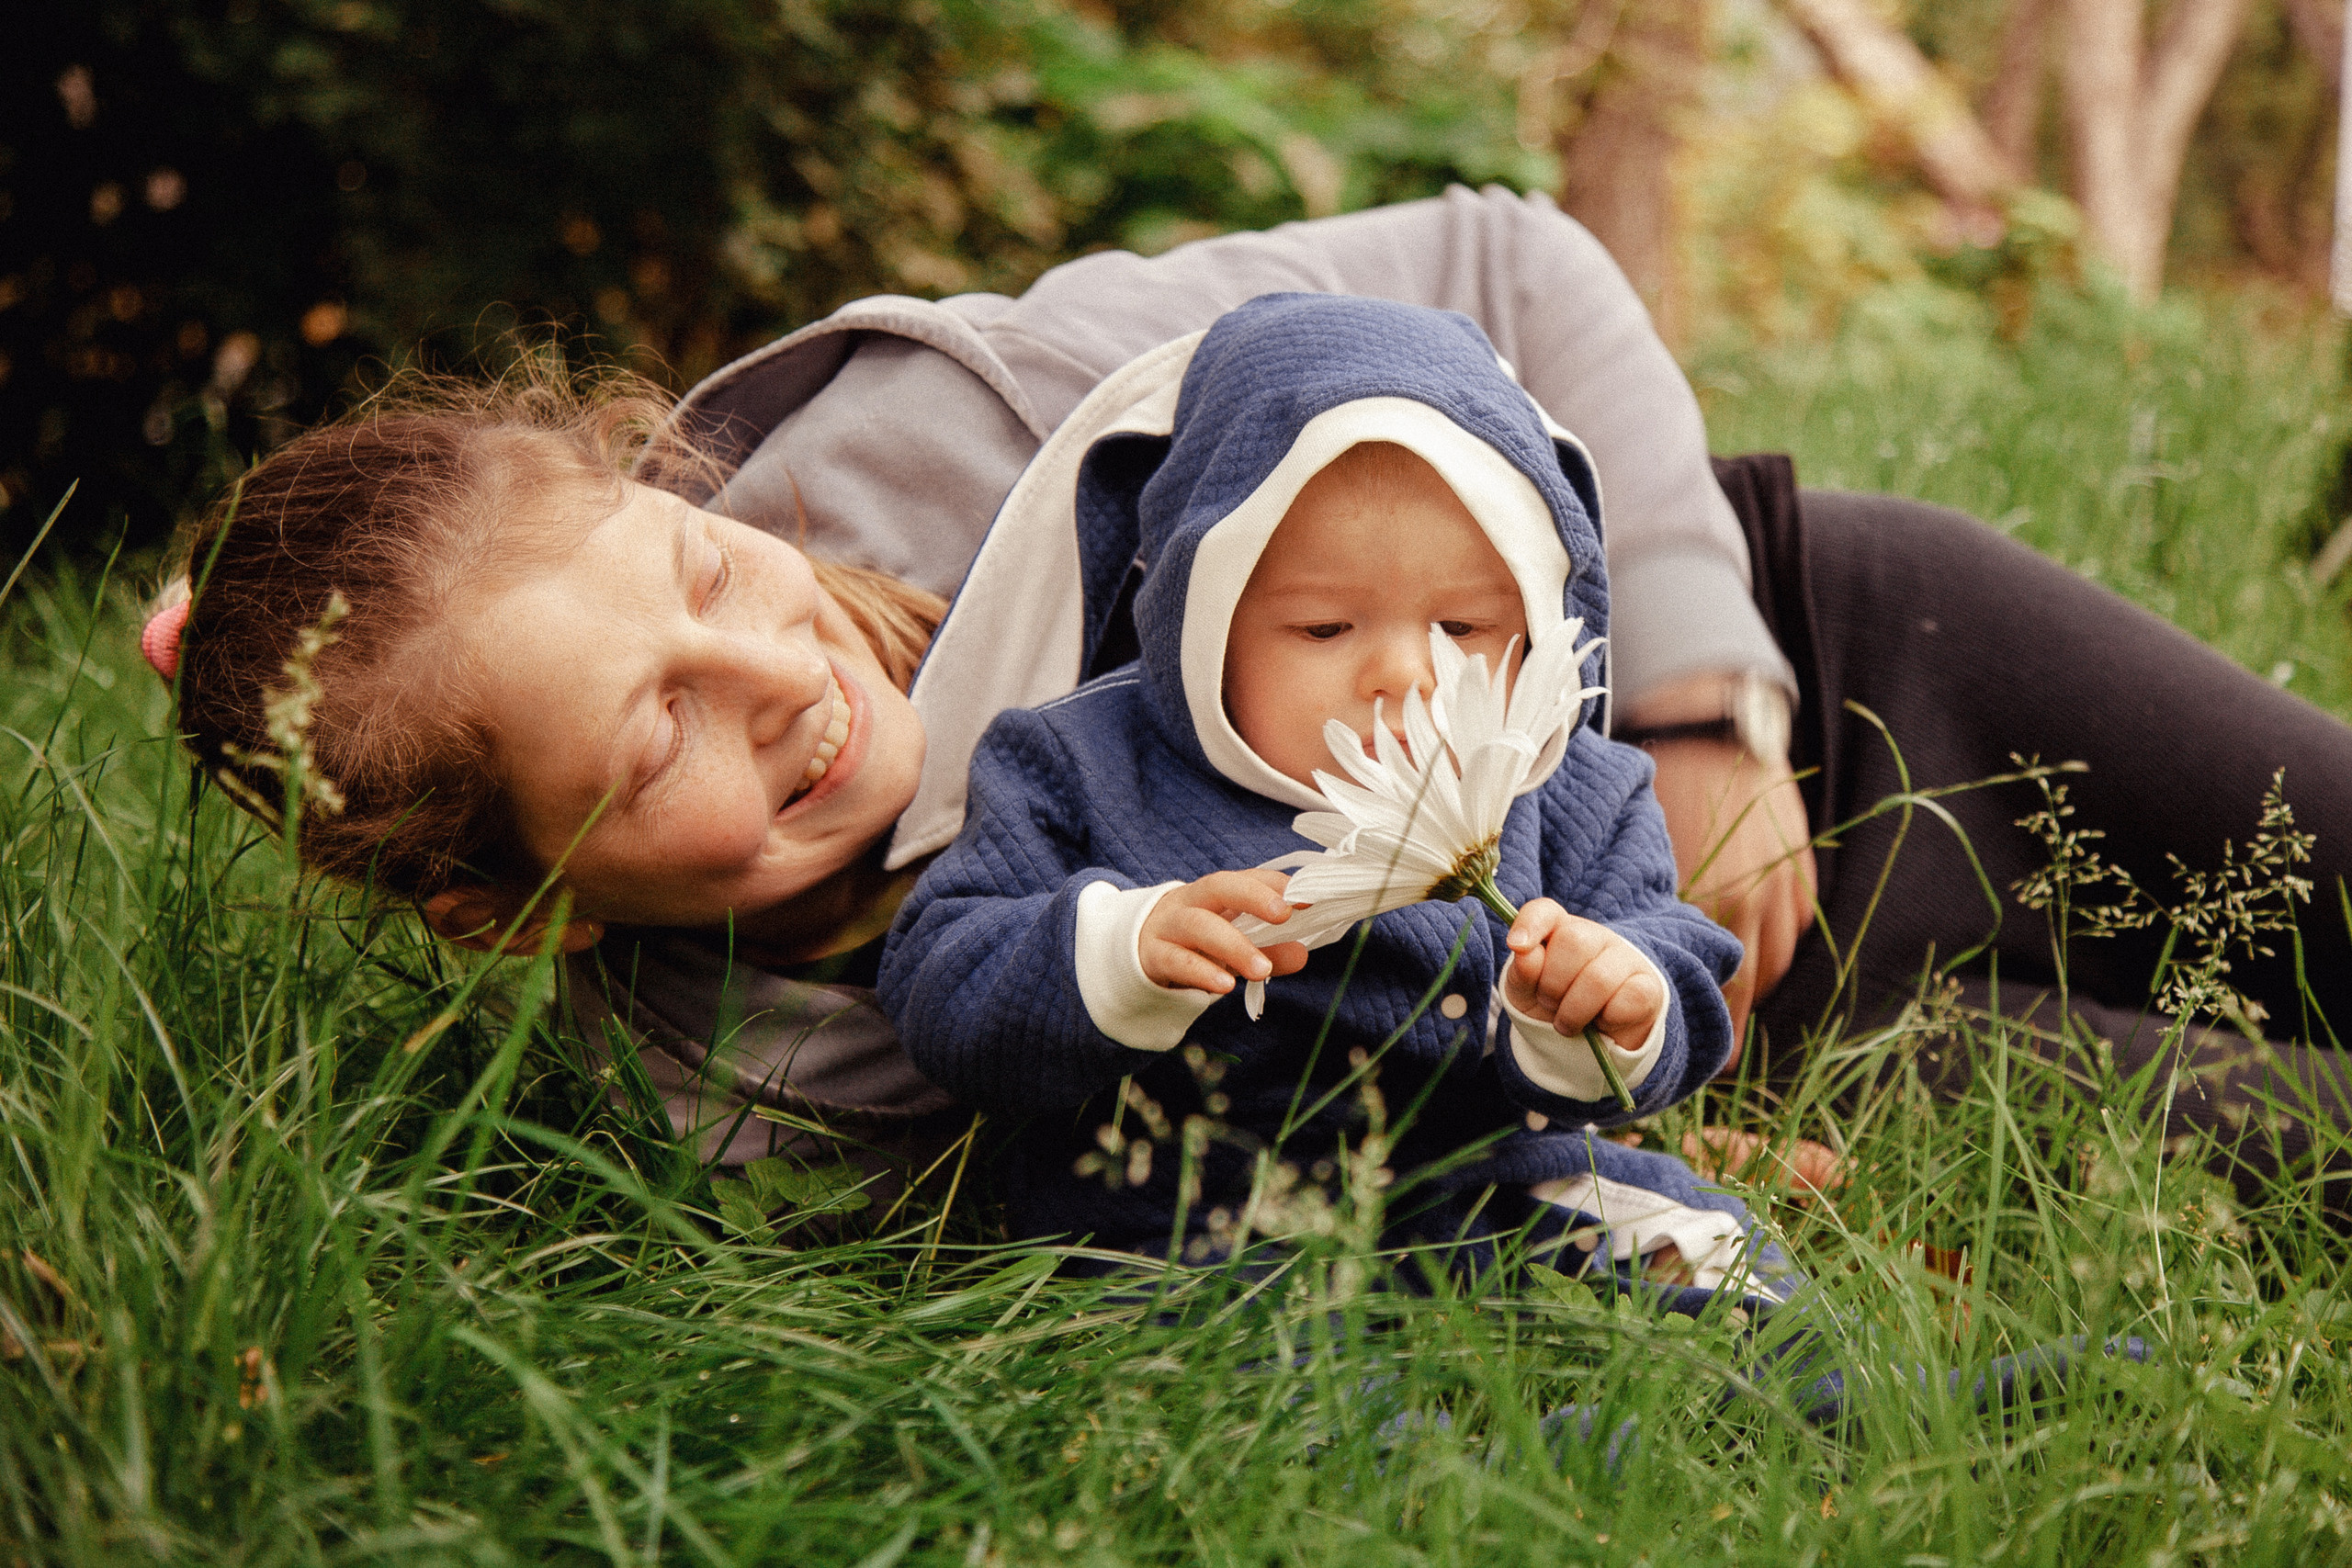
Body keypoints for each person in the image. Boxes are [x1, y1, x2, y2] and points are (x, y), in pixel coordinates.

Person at [146, 185, 2352, 1217]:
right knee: (2288, 1158)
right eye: (650, 744)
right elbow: (1191, 1201)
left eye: (708, 573)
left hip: (1844, 681)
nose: (783, 676)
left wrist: (1691, 696)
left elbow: (1506, 262)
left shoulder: (962, 418)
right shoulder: (760, 1105)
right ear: (513, 906)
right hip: (1686, 1025)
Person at [878, 292, 1769, 1282]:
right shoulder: (1079, 764)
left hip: (1500, 1177)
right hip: (1198, 1204)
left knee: (1698, 1257)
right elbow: (938, 973)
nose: (1406, 673)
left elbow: (1676, 959)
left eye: (1465, 627)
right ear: (1196, 621)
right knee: (1240, 1361)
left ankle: (1846, 1395)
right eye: (1323, 628)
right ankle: (1420, 1444)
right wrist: (1114, 952)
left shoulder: (1572, 787)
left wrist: (1618, 1000)